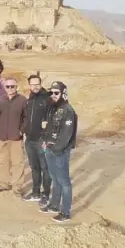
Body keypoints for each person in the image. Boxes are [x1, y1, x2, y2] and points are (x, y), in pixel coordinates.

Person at [40, 81, 78, 223]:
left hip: (60, 151)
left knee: (64, 181)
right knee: (54, 178)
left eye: (56, 93)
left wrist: (56, 149)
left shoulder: (68, 110)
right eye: (51, 92)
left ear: (63, 93)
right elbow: (49, 127)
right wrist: (45, 141)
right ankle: (54, 205)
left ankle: (66, 212)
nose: (53, 95)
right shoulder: (53, 108)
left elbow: (66, 134)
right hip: (49, 148)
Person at [0, 78, 27, 196]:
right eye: (7, 86)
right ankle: (3, 183)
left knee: (18, 162)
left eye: (12, 86)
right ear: (4, 88)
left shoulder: (23, 100)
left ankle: (17, 186)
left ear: (16, 87)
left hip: (16, 137)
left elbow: (26, 118)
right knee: (2, 161)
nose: (10, 89)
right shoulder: (0, 100)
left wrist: (21, 131)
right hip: (2, 136)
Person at [22, 73, 51, 205]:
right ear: (29, 85)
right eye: (32, 84)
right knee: (34, 168)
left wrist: (47, 135)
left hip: (41, 140)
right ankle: (35, 193)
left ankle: (46, 195)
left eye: (37, 84)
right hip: (30, 139)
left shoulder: (47, 99)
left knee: (45, 168)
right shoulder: (30, 98)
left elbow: (52, 118)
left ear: (41, 84)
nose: (35, 86)